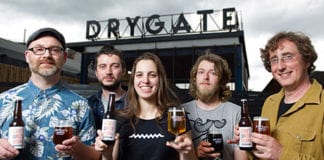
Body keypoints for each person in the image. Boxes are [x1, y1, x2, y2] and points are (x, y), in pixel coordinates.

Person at [0, 28, 100, 160]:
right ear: (27, 56)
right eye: (39, 49)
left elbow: (95, 156)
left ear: (64, 58)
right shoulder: (3, 100)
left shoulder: (81, 105)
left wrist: (78, 149)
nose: (47, 55)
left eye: (54, 50)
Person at [94, 52, 197, 160]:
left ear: (160, 80)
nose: (145, 80)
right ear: (133, 80)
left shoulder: (176, 116)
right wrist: (106, 154)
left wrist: (186, 152)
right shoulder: (119, 119)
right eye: (139, 75)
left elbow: (188, 156)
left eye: (152, 75)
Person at [248, 31, 324, 159]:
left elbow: (276, 154)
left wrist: (281, 154)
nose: (280, 66)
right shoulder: (269, 103)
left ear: (307, 61)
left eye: (288, 57)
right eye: (274, 60)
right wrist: (249, 143)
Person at [181, 50, 247, 160]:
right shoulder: (180, 112)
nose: (205, 77)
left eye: (213, 73)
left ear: (222, 81)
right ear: (194, 78)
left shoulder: (237, 113)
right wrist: (195, 154)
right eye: (201, 72)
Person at [88, 44, 127, 129]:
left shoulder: (136, 103)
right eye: (103, 66)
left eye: (115, 66)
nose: (108, 72)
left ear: (123, 71)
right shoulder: (88, 104)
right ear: (96, 73)